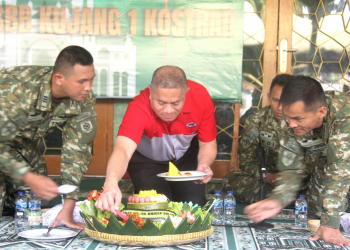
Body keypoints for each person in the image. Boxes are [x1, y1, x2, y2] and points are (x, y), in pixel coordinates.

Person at [244, 76, 350, 246]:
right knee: (316, 212)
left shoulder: (345, 117)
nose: (291, 124)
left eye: (299, 119)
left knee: (330, 218)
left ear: (321, 112)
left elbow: (340, 168)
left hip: (344, 162)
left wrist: (331, 222)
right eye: (288, 117)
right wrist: (279, 198)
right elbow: (291, 166)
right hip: (330, 159)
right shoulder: (290, 119)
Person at [95, 66, 217, 213]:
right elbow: (123, 149)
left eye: (176, 103)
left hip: (185, 158)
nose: (168, 110)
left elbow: (207, 143)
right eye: (161, 102)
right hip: (146, 161)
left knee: (194, 207)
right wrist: (111, 184)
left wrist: (204, 164)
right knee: (158, 209)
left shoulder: (200, 96)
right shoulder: (138, 107)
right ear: (150, 93)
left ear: (186, 93)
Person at [0, 45, 97, 229]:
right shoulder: (16, 91)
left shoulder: (83, 97)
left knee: (35, 203)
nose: (88, 87)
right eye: (82, 81)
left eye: (92, 80)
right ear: (59, 79)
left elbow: (78, 150)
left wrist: (68, 206)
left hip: (19, 144)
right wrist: (27, 177)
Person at [221, 74, 303, 203]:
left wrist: (290, 180)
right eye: (276, 100)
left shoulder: (304, 119)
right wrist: (268, 177)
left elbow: (314, 160)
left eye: (286, 101)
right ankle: (288, 200)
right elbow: (246, 161)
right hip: (268, 180)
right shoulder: (256, 121)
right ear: (269, 97)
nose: (280, 107)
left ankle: (285, 198)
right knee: (231, 179)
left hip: (298, 180)